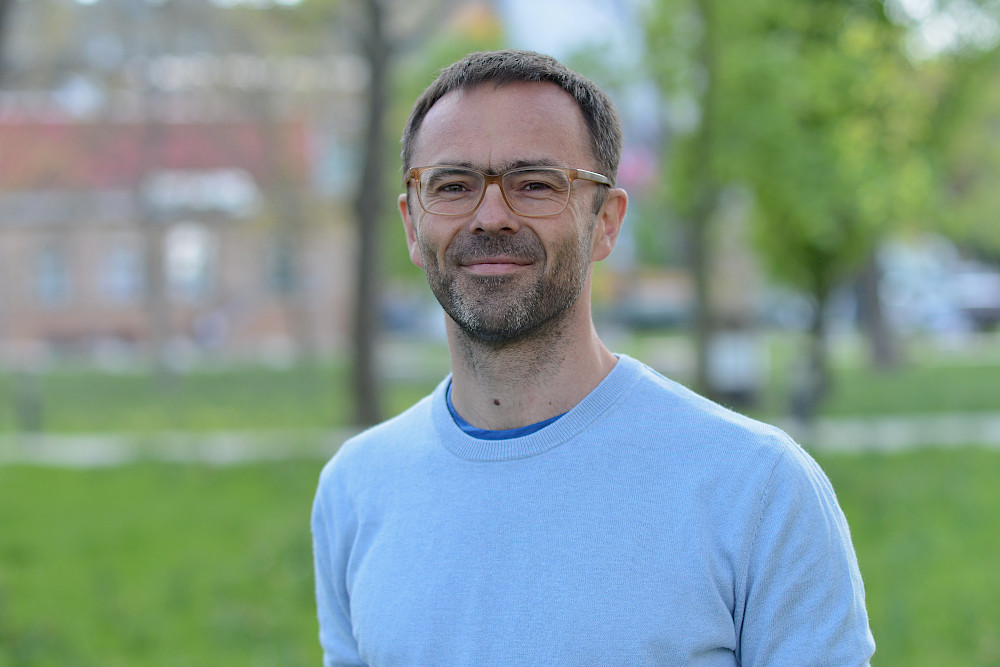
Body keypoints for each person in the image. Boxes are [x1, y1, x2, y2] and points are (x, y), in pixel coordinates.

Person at [312, 49, 875, 665]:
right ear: (411, 226)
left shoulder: (756, 489)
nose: (491, 216)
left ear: (606, 221)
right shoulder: (355, 489)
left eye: (535, 184)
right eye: (452, 186)